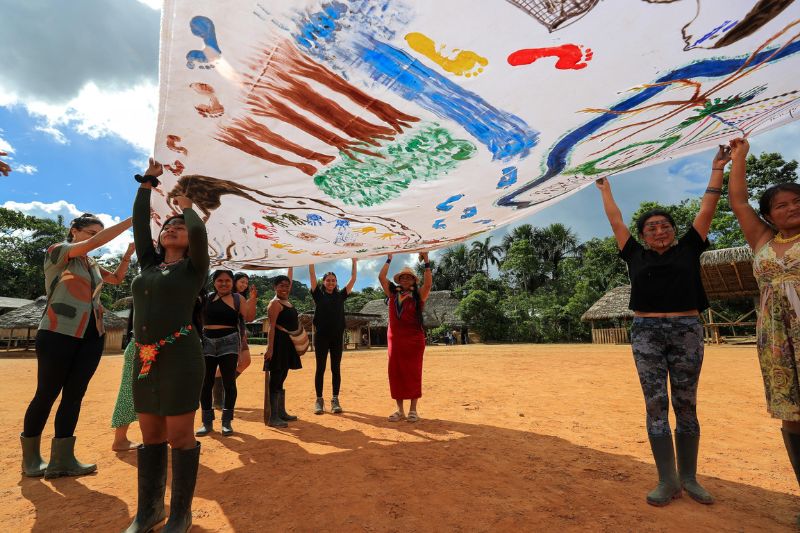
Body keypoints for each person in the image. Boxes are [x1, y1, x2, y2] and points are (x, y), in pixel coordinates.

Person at [595, 144, 729, 507]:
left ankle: (689, 478)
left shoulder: (690, 247)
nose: (659, 231)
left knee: (687, 404)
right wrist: (606, 190)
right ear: (642, 235)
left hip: (686, 329)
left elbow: (707, 209)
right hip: (646, 334)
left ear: (674, 231)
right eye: (651, 227)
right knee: (656, 404)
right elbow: (615, 221)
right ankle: (667, 480)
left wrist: (717, 169)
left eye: (665, 226)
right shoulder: (633, 253)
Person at [124, 158, 209, 533]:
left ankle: (180, 514)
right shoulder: (147, 266)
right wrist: (148, 183)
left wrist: (188, 208)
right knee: (151, 434)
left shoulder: (194, 270)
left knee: (179, 436)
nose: (172, 228)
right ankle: (150, 511)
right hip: (144, 358)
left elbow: (199, 234)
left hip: (180, 356)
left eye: (180, 227)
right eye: (168, 226)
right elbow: (141, 222)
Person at [20, 212, 133, 479]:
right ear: (74, 231)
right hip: (58, 330)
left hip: (91, 334)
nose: (96, 240)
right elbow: (89, 247)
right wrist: (132, 220)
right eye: (91, 234)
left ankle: (63, 458)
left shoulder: (90, 262)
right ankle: (31, 458)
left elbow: (115, 279)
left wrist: (128, 254)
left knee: (74, 396)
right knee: (46, 393)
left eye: (98, 235)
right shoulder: (58, 252)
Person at [727, 137, 800, 524]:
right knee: (793, 415)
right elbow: (738, 202)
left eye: (796, 201)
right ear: (770, 214)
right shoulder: (764, 241)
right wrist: (739, 158)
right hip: (777, 339)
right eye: (781, 204)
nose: (790, 208)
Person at [195, 270, 254, 437]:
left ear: (232, 282)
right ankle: (206, 422)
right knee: (206, 383)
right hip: (207, 342)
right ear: (214, 282)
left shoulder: (238, 299)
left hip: (229, 341)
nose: (223, 283)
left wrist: (243, 349)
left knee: (229, 382)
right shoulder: (205, 299)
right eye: (220, 280)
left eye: (227, 280)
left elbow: (247, 319)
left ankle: (226, 422)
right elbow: (195, 320)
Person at [378, 253, 432, 423]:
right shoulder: (392, 295)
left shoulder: (418, 297)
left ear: (414, 281)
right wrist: (389, 258)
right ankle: (399, 410)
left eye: (409, 277)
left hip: (414, 341)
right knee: (396, 373)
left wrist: (427, 261)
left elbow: (429, 283)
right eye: (403, 277)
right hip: (395, 340)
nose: (406, 280)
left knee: (413, 373)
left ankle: (413, 410)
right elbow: (381, 277)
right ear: (399, 280)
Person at [309, 258, 357, 414]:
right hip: (321, 337)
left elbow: (353, 279)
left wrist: (354, 261)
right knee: (320, 368)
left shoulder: (340, 296)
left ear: (336, 283)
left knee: (336, 368)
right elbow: (311, 276)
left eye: (333, 281)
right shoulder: (318, 295)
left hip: (337, 338)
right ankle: (319, 400)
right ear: (323, 282)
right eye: (328, 280)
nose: (331, 283)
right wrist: (311, 260)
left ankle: (335, 400)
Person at [211, 273, 257, 409]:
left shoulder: (241, 298)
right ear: (234, 281)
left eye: (246, 283)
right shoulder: (225, 296)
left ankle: (222, 387)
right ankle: (218, 399)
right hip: (228, 335)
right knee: (226, 365)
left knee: (245, 361)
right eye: (242, 282)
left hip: (240, 334)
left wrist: (253, 299)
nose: (244, 285)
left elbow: (248, 317)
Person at [264, 268, 302, 427]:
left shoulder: (287, 301)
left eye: (287, 286)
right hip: (278, 344)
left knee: (282, 377)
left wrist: (292, 266)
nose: (284, 288)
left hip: (288, 344)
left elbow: (290, 279)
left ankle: (281, 412)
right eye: (281, 285)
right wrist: (270, 348)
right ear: (275, 287)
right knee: (276, 378)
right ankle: (273, 417)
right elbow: (271, 327)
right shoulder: (275, 303)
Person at [112, 290, 141, 452]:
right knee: (128, 393)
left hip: (142, 345)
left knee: (129, 392)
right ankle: (120, 439)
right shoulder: (150, 291)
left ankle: (121, 438)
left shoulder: (145, 289)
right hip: (143, 347)